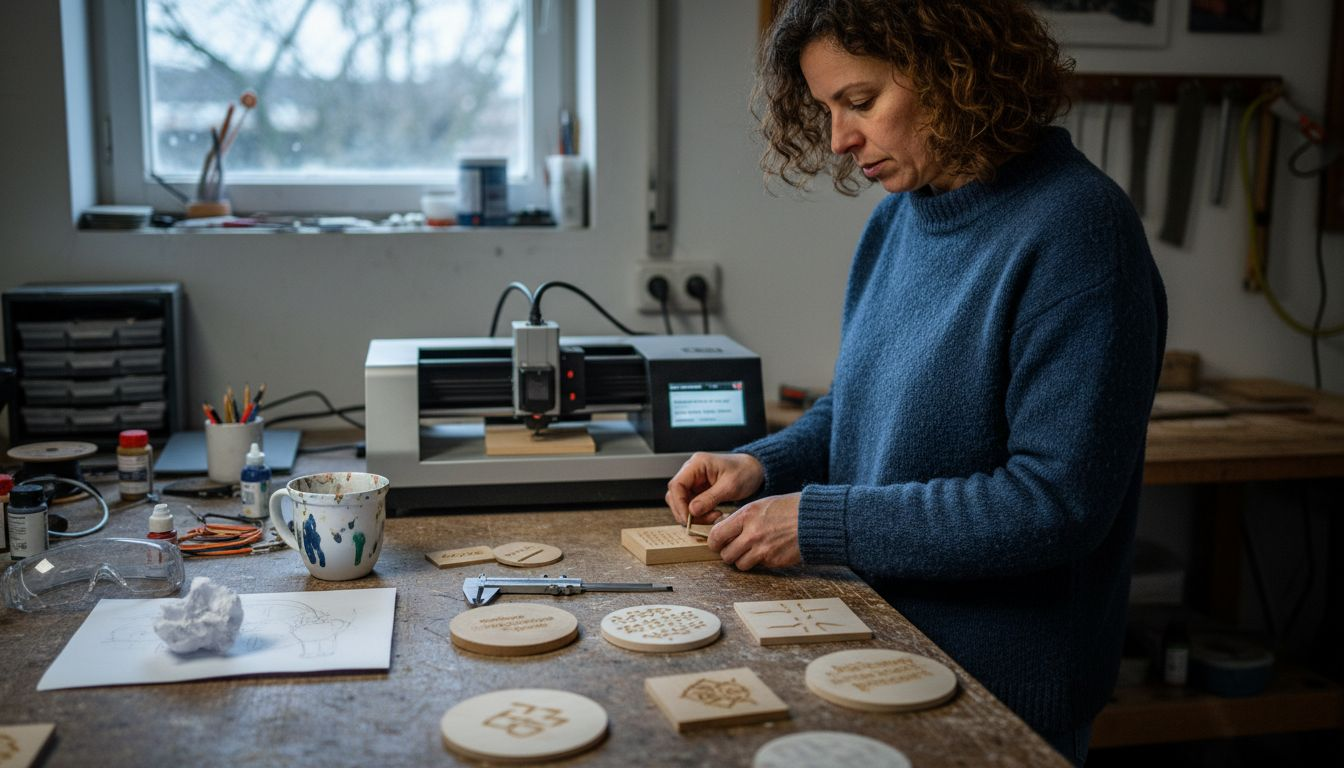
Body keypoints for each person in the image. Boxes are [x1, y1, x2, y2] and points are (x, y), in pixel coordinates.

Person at [665, 1, 1168, 765]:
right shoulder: (901, 218)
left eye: (860, 102)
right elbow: (857, 410)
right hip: (872, 643)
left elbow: (1054, 503)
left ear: (954, 70)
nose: (840, 139)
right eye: (826, 109)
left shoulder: (1079, 232)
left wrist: (816, 521)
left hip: (993, 695)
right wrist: (767, 464)